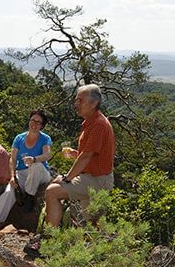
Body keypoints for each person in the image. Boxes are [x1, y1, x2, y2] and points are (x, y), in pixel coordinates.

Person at [45, 84, 115, 226]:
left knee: (51, 192)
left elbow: (86, 157)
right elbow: (92, 154)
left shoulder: (98, 124)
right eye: (76, 100)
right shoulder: (91, 122)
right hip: (93, 177)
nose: (76, 104)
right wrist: (74, 154)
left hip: (97, 180)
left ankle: (48, 237)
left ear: (94, 103)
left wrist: (66, 179)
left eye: (80, 100)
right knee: (92, 224)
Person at [10, 110, 53, 198]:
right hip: (22, 172)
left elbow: (47, 155)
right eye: (32, 120)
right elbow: (13, 158)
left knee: (35, 165)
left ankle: (29, 196)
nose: (34, 124)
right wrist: (12, 176)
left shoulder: (45, 138)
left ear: (42, 126)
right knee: (8, 192)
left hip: (41, 174)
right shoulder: (19, 138)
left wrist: (34, 159)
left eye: (38, 122)